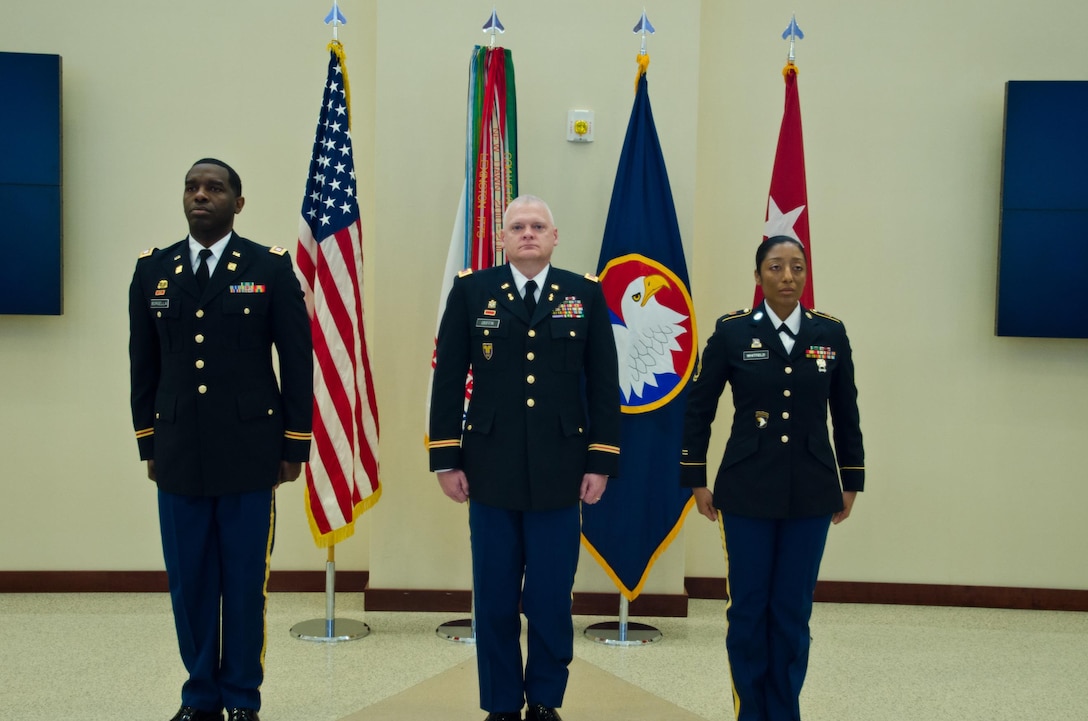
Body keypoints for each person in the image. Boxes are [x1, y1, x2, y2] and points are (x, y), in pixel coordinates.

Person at [128, 158, 313, 721]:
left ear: (238, 202)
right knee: (190, 582)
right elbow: (143, 364)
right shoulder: (152, 271)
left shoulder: (270, 268)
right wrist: (148, 443)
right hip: (180, 450)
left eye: (214, 188)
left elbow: (298, 363)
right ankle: (199, 695)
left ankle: (241, 698)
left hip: (250, 452)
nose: (199, 195)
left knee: (242, 584)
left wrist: (294, 444)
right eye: (191, 186)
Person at [428, 195, 621, 721]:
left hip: (562, 471)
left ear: (555, 237)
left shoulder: (583, 293)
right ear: (504, 239)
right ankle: (500, 704)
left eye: (539, 226)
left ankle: (544, 700)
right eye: (519, 226)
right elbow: (448, 380)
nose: (529, 233)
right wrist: (446, 458)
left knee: (551, 598)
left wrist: (600, 461)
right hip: (489, 470)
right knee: (493, 598)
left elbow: (605, 384)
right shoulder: (472, 292)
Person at [680, 235, 865, 721]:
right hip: (745, 491)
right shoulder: (733, 333)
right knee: (748, 612)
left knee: (791, 614)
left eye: (798, 267)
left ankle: (783, 713)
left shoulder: (831, 334)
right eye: (777, 267)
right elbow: (699, 409)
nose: (788, 277)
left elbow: (846, 413)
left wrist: (851, 478)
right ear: (758, 275)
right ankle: (750, 711)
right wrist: (696, 477)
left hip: (811, 489)